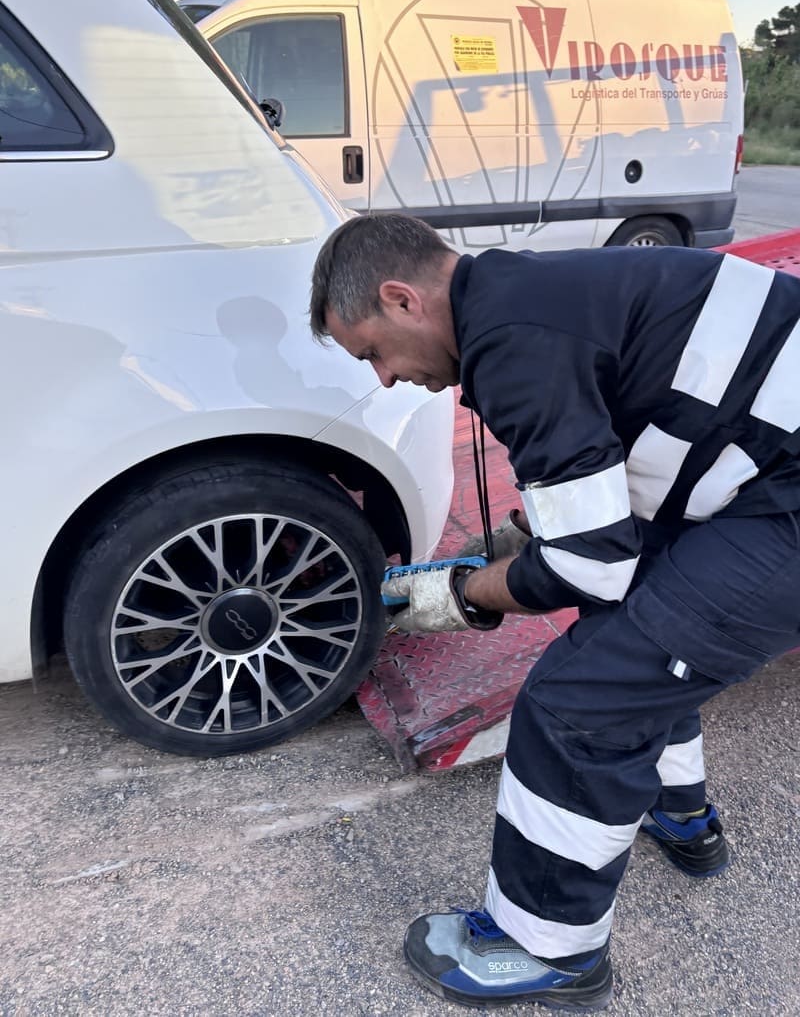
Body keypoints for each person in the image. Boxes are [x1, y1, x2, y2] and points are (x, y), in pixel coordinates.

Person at [308, 214, 800, 1011]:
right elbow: (603, 472)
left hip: (784, 489)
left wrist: (459, 596)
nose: (387, 377)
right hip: (766, 457)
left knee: (580, 702)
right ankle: (679, 816)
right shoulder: (521, 297)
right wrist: (508, 544)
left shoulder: (512, 345)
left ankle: (549, 950)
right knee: (644, 635)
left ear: (401, 300)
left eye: (372, 352)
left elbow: (589, 564)